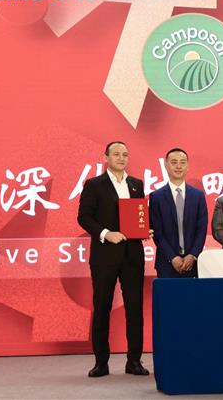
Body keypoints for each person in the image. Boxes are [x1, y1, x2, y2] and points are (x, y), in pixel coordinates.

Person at [77, 141, 150, 378]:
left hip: (133, 255)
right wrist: (106, 233)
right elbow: (84, 217)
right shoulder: (94, 184)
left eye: (125, 154)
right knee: (102, 307)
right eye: (116, 154)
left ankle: (134, 361)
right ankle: (101, 362)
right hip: (105, 255)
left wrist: (144, 230)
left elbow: (138, 215)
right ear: (106, 157)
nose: (121, 158)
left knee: (134, 308)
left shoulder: (136, 184)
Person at [149, 148, 208, 278]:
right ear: (166, 165)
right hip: (166, 263)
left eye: (182, 162)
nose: (178, 166)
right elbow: (157, 232)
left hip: (193, 264)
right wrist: (172, 257)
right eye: (174, 162)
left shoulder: (198, 196)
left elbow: (201, 229)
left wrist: (192, 255)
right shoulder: (156, 197)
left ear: (188, 166)